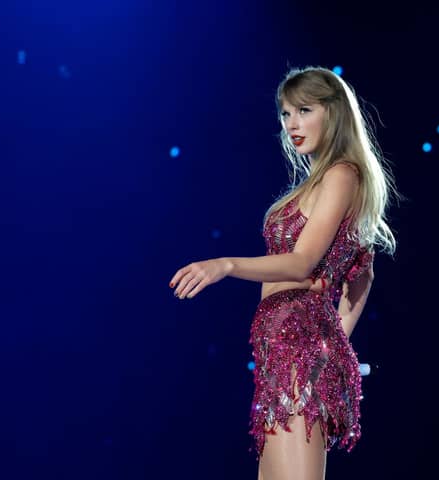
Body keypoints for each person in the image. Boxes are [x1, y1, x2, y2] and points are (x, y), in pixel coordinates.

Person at [169, 66, 399, 480]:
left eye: (303, 110)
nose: (291, 124)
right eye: (285, 113)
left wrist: (227, 265)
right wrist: (334, 343)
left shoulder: (342, 175)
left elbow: (303, 263)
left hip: (300, 351)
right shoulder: (315, 183)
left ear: (333, 113)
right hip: (280, 356)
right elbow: (362, 271)